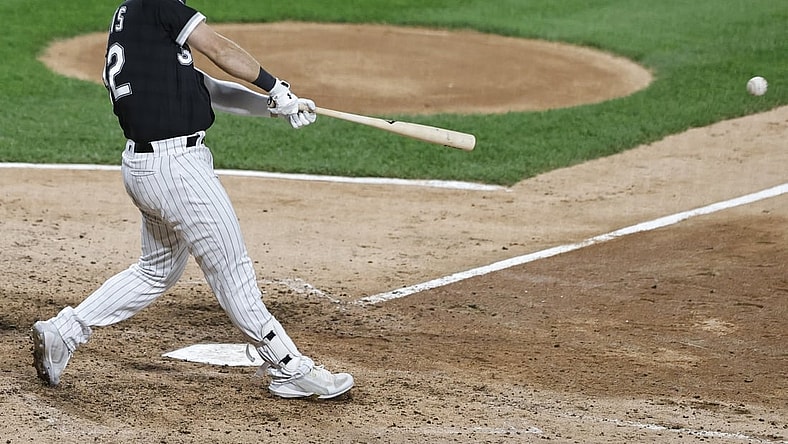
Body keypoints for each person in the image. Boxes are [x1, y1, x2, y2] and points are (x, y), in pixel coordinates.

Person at [30, 0, 354, 400]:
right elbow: (219, 50)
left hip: (145, 167)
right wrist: (272, 84)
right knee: (232, 273)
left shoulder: (131, 17)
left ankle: (64, 332)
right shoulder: (160, 5)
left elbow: (208, 88)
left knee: (156, 271)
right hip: (178, 170)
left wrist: (274, 106)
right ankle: (290, 368)